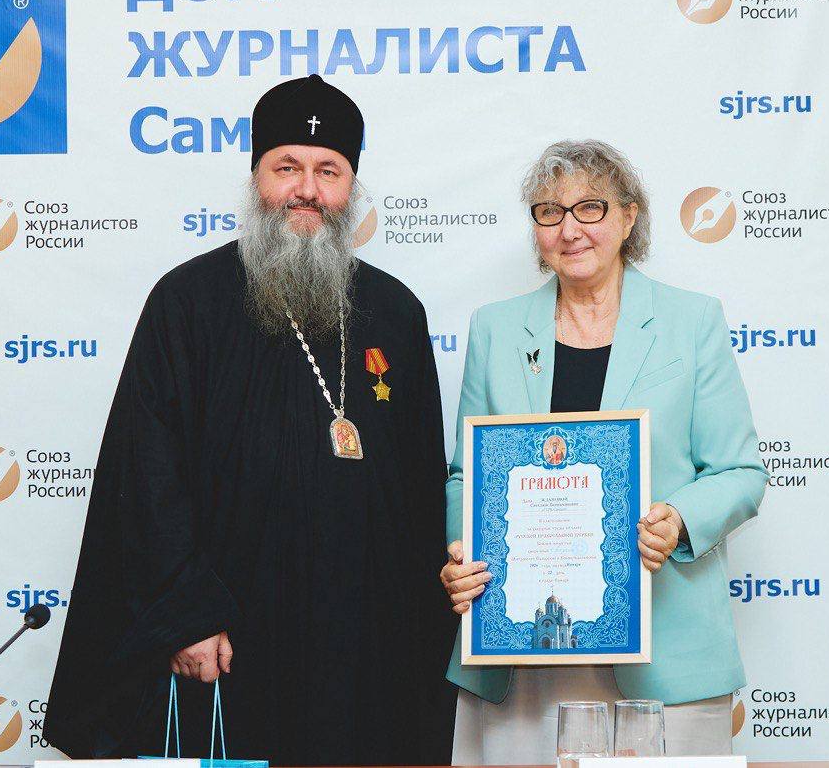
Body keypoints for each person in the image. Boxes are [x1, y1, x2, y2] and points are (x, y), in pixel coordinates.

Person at [45, 75, 456, 764]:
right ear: (256, 178)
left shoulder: (395, 312)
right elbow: (147, 473)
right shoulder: (188, 302)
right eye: (287, 167)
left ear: (351, 187)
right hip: (227, 644)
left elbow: (419, 492)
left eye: (328, 171)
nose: (307, 190)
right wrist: (186, 612)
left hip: (360, 647)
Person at [441, 140, 767, 761]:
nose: (570, 230)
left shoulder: (692, 321)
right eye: (549, 212)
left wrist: (678, 520)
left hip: (666, 649)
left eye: (590, 208)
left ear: (629, 217)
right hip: (519, 651)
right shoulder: (496, 328)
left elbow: (740, 472)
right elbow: (466, 477)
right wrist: (465, 549)